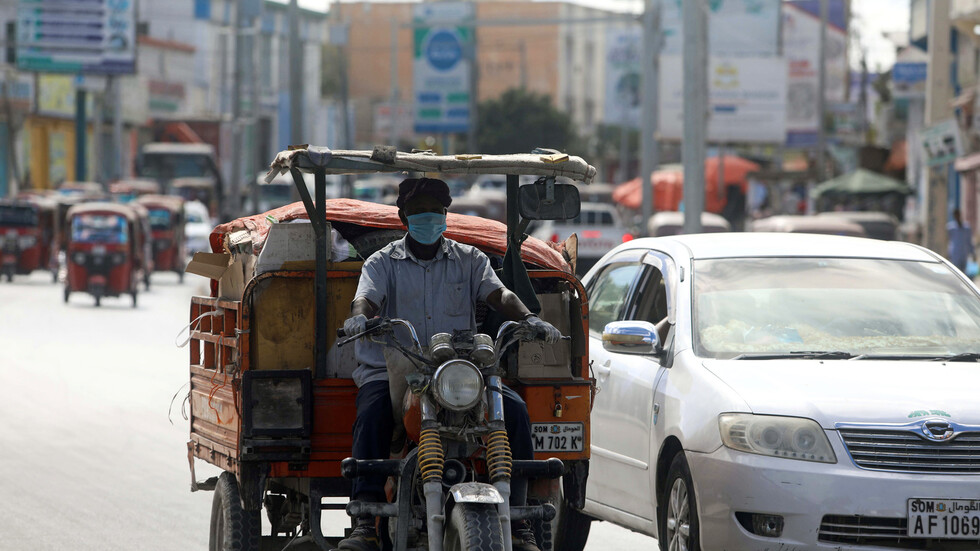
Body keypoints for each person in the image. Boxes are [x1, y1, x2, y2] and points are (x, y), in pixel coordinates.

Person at [338, 177, 561, 551]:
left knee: (516, 412)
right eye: (419, 212)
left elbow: (499, 293)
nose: (428, 219)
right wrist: (360, 316)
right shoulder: (382, 262)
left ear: (445, 216)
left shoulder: (469, 259)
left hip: (459, 370)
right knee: (372, 413)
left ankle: (519, 519)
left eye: (435, 212)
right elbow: (367, 298)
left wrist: (528, 318)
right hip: (397, 369)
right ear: (404, 218)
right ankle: (365, 522)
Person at [947, 208, 975, 273]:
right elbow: (948, 240)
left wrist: (973, 253)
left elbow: (969, 241)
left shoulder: (966, 227)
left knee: (963, 273)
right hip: (955, 254)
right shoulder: (951, 228)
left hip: (964, 254)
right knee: (956, 272)